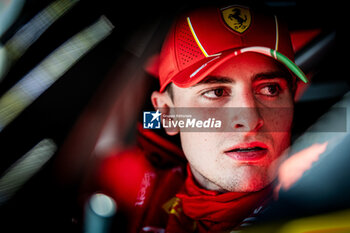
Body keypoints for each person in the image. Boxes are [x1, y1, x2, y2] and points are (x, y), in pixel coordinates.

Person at [97, 2, 308, 232]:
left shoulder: (323, 201)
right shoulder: (136, 195)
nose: (249, 121)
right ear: (168, 114)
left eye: (270, 89)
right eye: (216, 92)